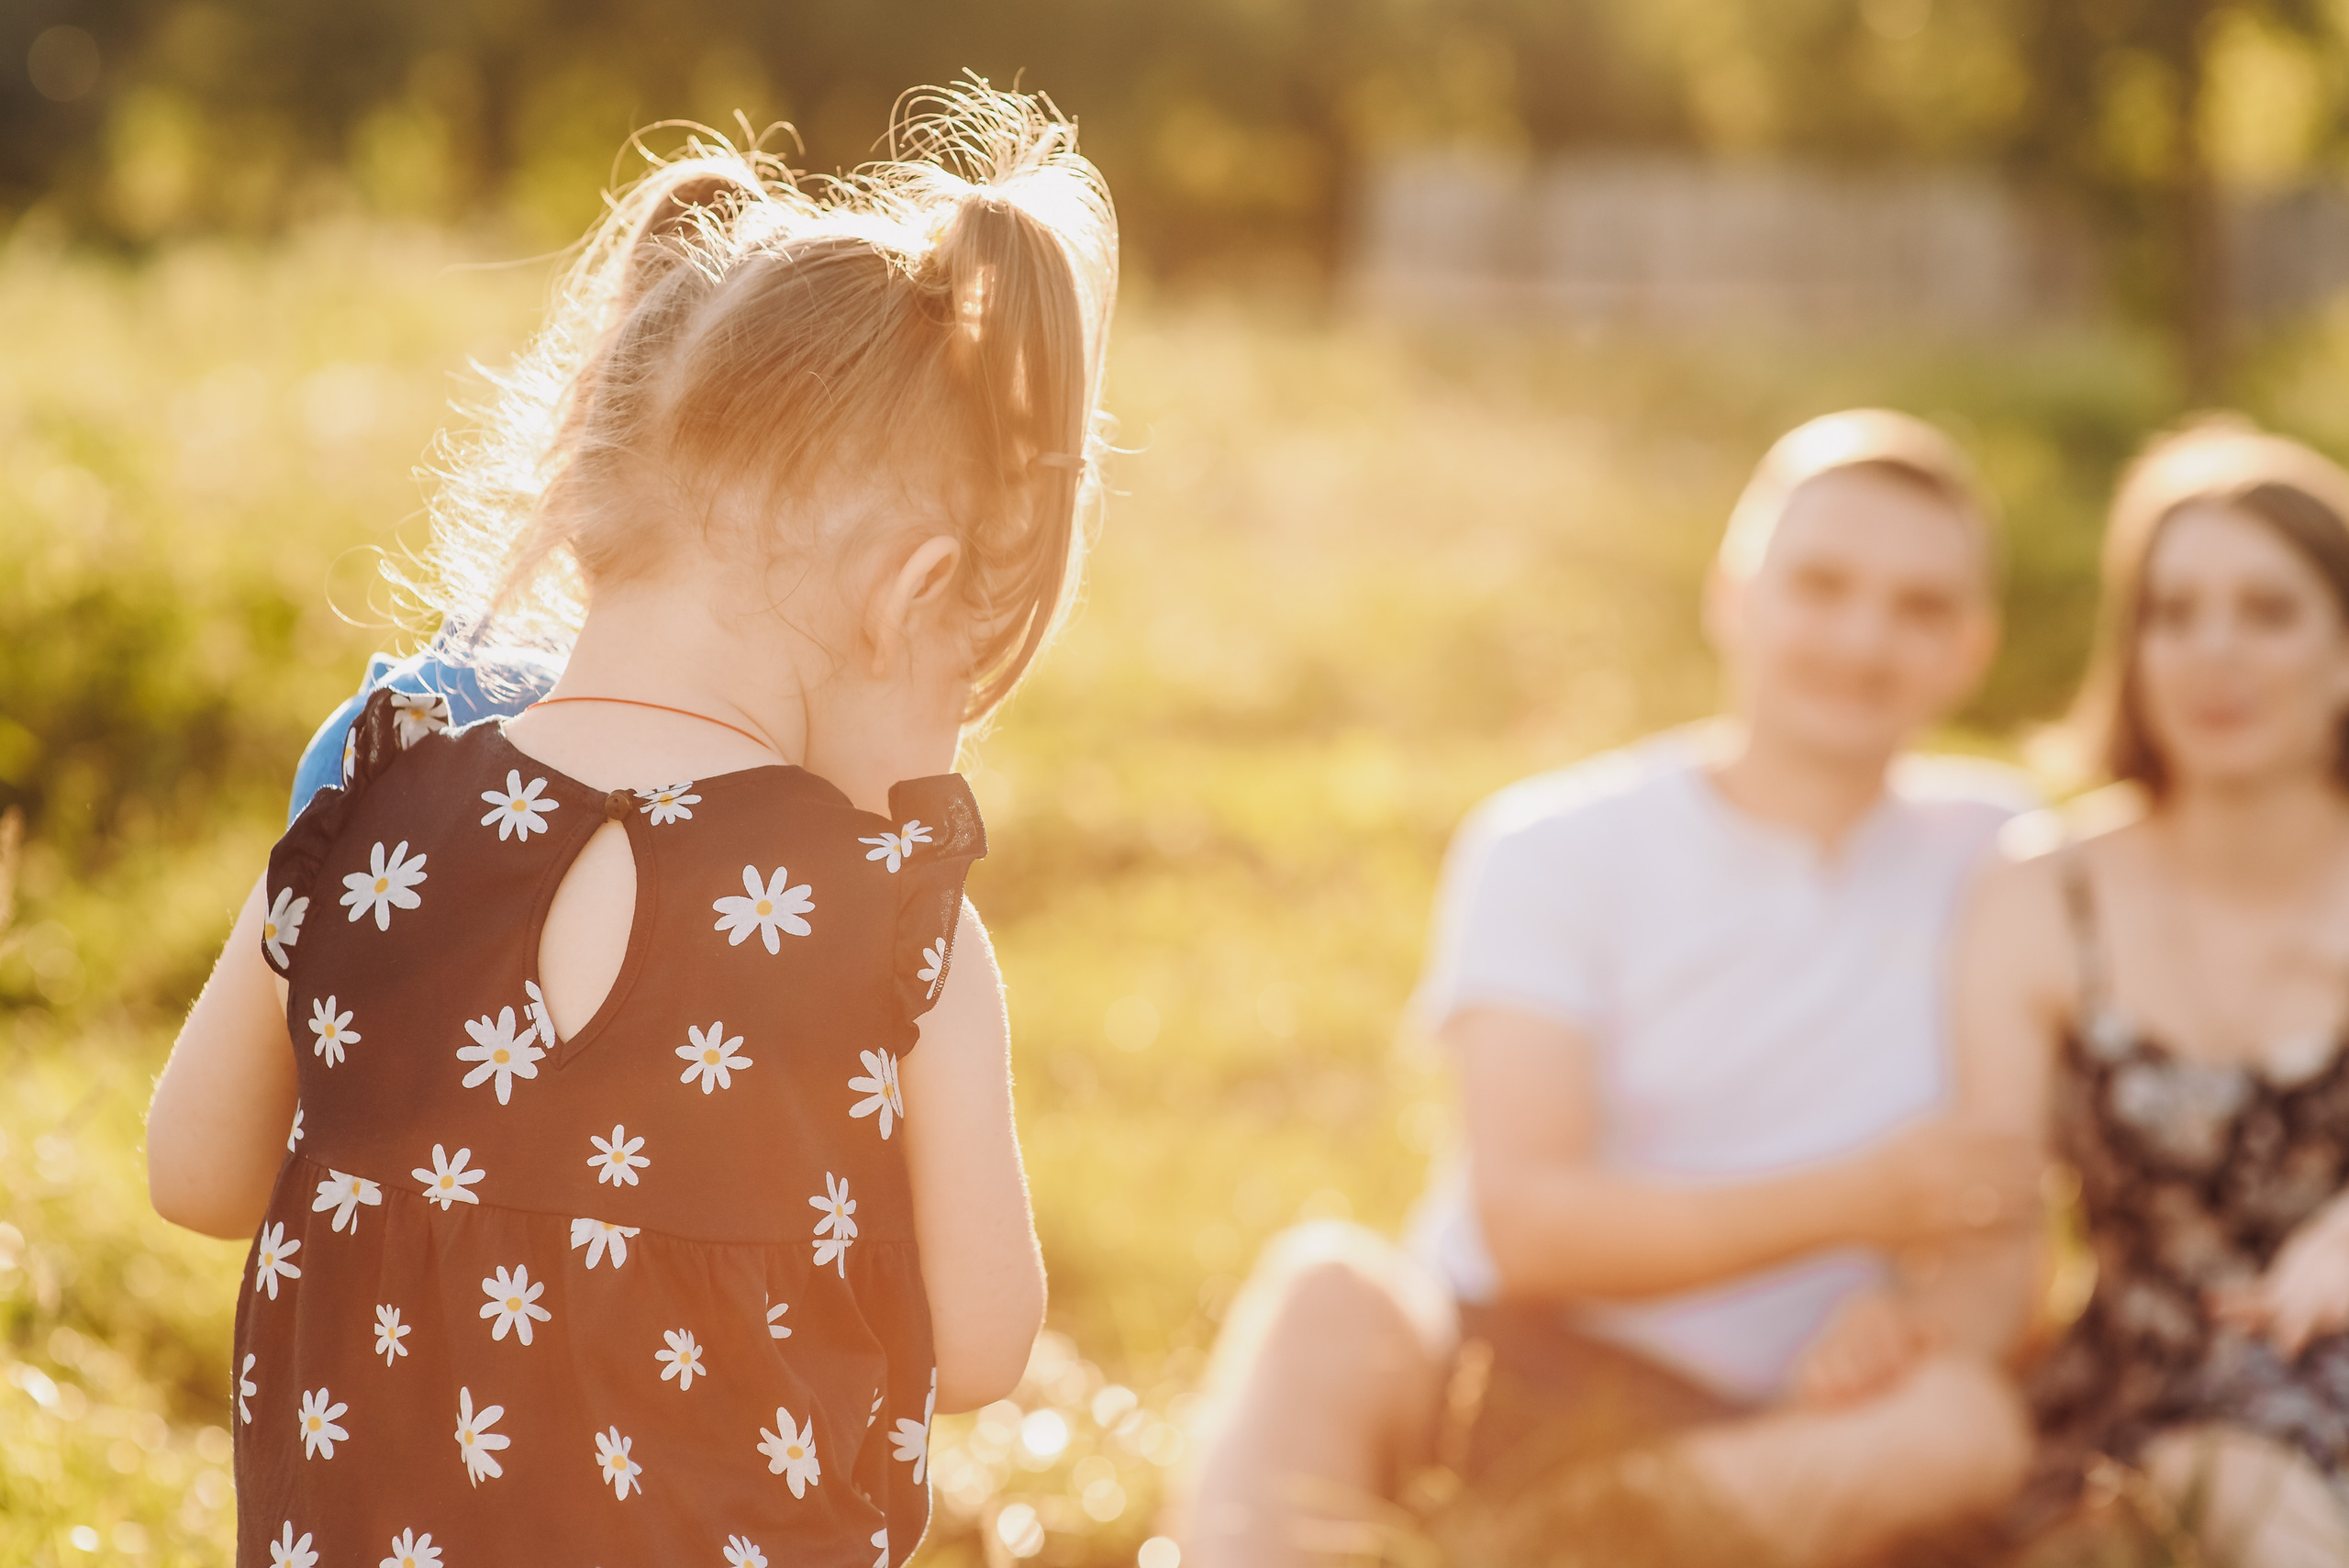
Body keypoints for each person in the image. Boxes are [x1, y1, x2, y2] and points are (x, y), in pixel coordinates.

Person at [144, 83, 1116, 1566]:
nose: (955, 733)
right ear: (909, 594)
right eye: (970, 677)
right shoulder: (889, 923)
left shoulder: (371, 805)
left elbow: (195, 1171)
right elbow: (980, 1342)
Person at [1179, 409, 2043, 1567]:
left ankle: (1511, 1551)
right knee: (1324, 1291)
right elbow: (1529, 1223)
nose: (1862, 635)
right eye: (1820, 584)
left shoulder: (2009, 851)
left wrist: (1921, 1321)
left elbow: (2012, 1201)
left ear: (1970, 649)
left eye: (1918, 606)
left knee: (1960, 1426)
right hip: (1511, 1368)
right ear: (1732, 596)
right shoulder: (1554, 841)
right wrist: (1859, 1199)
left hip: (1790, 1419)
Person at [1957, 421, 2349, 1567]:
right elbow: (1995, 1230)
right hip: (2152, 1401)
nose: (2212, 652)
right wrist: (1922, 1347)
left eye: (2267, 611)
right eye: (2172, 614)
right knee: (2235, 1494)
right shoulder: (2044, 887)